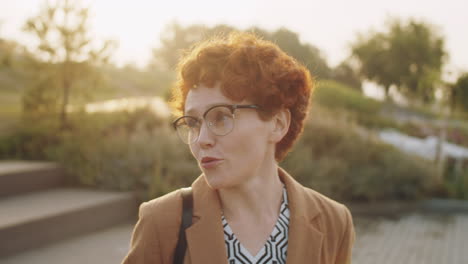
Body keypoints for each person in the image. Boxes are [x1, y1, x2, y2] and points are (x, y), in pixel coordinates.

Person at [121, 32, 355, 264]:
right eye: (193, 123)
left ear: (278, 124)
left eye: (221, 117)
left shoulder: (333, 221)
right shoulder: (162, 221)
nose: (202, 139)